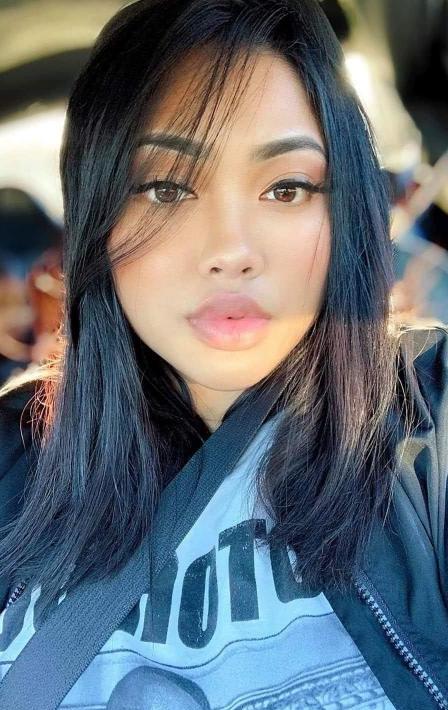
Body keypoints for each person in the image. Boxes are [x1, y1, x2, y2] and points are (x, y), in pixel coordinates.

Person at [0, 1, 446, 708]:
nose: (231, 250)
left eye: (287, 188)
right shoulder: (14, 454)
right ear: (97, 222)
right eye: (166, 188)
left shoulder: (430, 426)